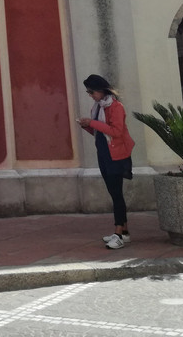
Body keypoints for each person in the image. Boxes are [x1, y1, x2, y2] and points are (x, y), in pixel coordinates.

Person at [77, 73, 135, 249]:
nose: (90, 95)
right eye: (88, 92)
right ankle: (124, 232)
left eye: (92, 91)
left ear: (101, 90)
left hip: (117, 155)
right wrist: (87, 126)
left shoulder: (116, 107)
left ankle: (118, 233)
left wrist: (92, 124)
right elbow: (100, 133)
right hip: (104, 154)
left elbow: (116, 131)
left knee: (116, 193)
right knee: (113, 192)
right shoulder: (97, 108)